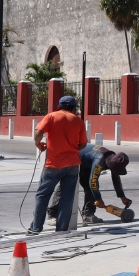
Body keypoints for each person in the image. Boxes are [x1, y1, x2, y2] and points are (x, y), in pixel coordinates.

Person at [30, 96, 87, 234]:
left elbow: (38, 133)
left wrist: (39, 144)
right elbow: (83, 144)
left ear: (59, 106)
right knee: (67, 198)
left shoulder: (51, 116)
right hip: (72, 165)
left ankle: (35, 228)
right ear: (74, 108)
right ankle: (61, 230)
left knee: (42, 196)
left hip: (53, 164)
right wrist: (72, 151)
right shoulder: (78, 121)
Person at [77, 146, 133, 224]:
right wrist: (98, 199)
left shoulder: (114, 159)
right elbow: (93, 181)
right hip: (76, 157)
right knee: (89, 187)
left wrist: (122, 196)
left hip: (88, 162)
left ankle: (87, 214)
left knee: (92, 188)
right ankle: (55, 214)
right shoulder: (100, 161)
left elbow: (116, 179)